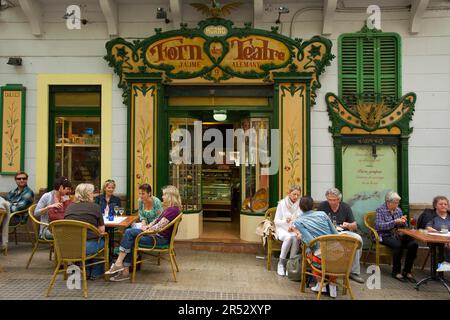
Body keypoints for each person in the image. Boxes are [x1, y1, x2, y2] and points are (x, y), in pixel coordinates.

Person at [105, 185, 182, 282]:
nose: (162, 197)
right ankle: (123, 269)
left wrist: (145, 231)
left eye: (164, 195)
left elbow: (159, 227)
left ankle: (120, 265)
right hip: (158, 237)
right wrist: (147, 226)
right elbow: (157, 222)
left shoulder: (171, 210)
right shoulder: (172, 209)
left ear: (170, 196)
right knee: (129, 237)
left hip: (159, 239)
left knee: (129, 234)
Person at [293, 196, 339, 298]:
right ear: (313, 206)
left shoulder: (299, 221)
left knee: (310, 252)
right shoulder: (322, 214)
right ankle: (332, 286)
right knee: (331, 257)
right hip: (339, 254)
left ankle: (320, 284)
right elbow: (335, 233)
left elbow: (311, 242)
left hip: (321, 255)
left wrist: (301, 237)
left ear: (300, 207)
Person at [317, 188, 364, 284]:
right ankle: (329, 269)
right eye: (330, 200)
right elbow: (317, 221)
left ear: (339, 199)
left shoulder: (345, 207)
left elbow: (354, 225)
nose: (332, 202)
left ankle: (353, 272)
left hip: (343, 232)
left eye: (334, 200)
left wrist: (349, 225)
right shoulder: (323, 206)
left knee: (358, 239)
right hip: (328, 232)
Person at [375, 191, 418, 283]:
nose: (397, 204)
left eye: (398, 202)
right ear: (388, 202)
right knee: (398, 245)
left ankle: (407, 271)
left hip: (398, 234)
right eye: (395, 202)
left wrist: (403, 221)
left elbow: (404, 226)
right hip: (384, 235)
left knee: (413, 244)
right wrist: (394, 222)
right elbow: (378, 226)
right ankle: (396, 272)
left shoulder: (398, 210)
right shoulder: (380, 210)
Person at [65, 183, 105, 279]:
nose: (93, 194)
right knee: (103, 240)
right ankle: (95, 273)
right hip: (88, 247)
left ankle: (84, 270)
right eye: (92, 192)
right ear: (87, 194)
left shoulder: (69, 207)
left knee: (87, 240)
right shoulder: (95, 207)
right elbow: (101, 230)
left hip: (69, 246)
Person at [1, 172, 35, 249]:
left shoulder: (28, 193)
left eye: (24, 178)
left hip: (18, 217)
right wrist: (10, 204)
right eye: (19, 178)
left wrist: (9, 204)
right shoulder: (12, 191)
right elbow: (5, 202)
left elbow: (17, 208)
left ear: (27, 180)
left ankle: (2, 244)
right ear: (15, 180)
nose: (21, 180)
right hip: (7, 214)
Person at [274, 185, 302, 276]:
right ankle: (281, 263)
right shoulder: (282, 203)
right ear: (289, 193)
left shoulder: (300, 204)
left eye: (298, 195)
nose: (296, 197)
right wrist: (285, 221)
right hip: (282, 228)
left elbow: (301, 219)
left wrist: (293, 226)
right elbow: (276, 221)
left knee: (295, 238)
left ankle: (290, 264)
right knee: (289, 237)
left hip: (294, 229)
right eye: (294, 194)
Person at [425, 196, 450, 262]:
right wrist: (437, 232)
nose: (443, 206)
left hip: (448, 240)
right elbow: (428, 228)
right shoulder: (431, 216)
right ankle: (442, 268)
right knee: (444, 248)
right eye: (440, 204)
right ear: (435, 205)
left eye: (445, 204)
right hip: (436, 240)